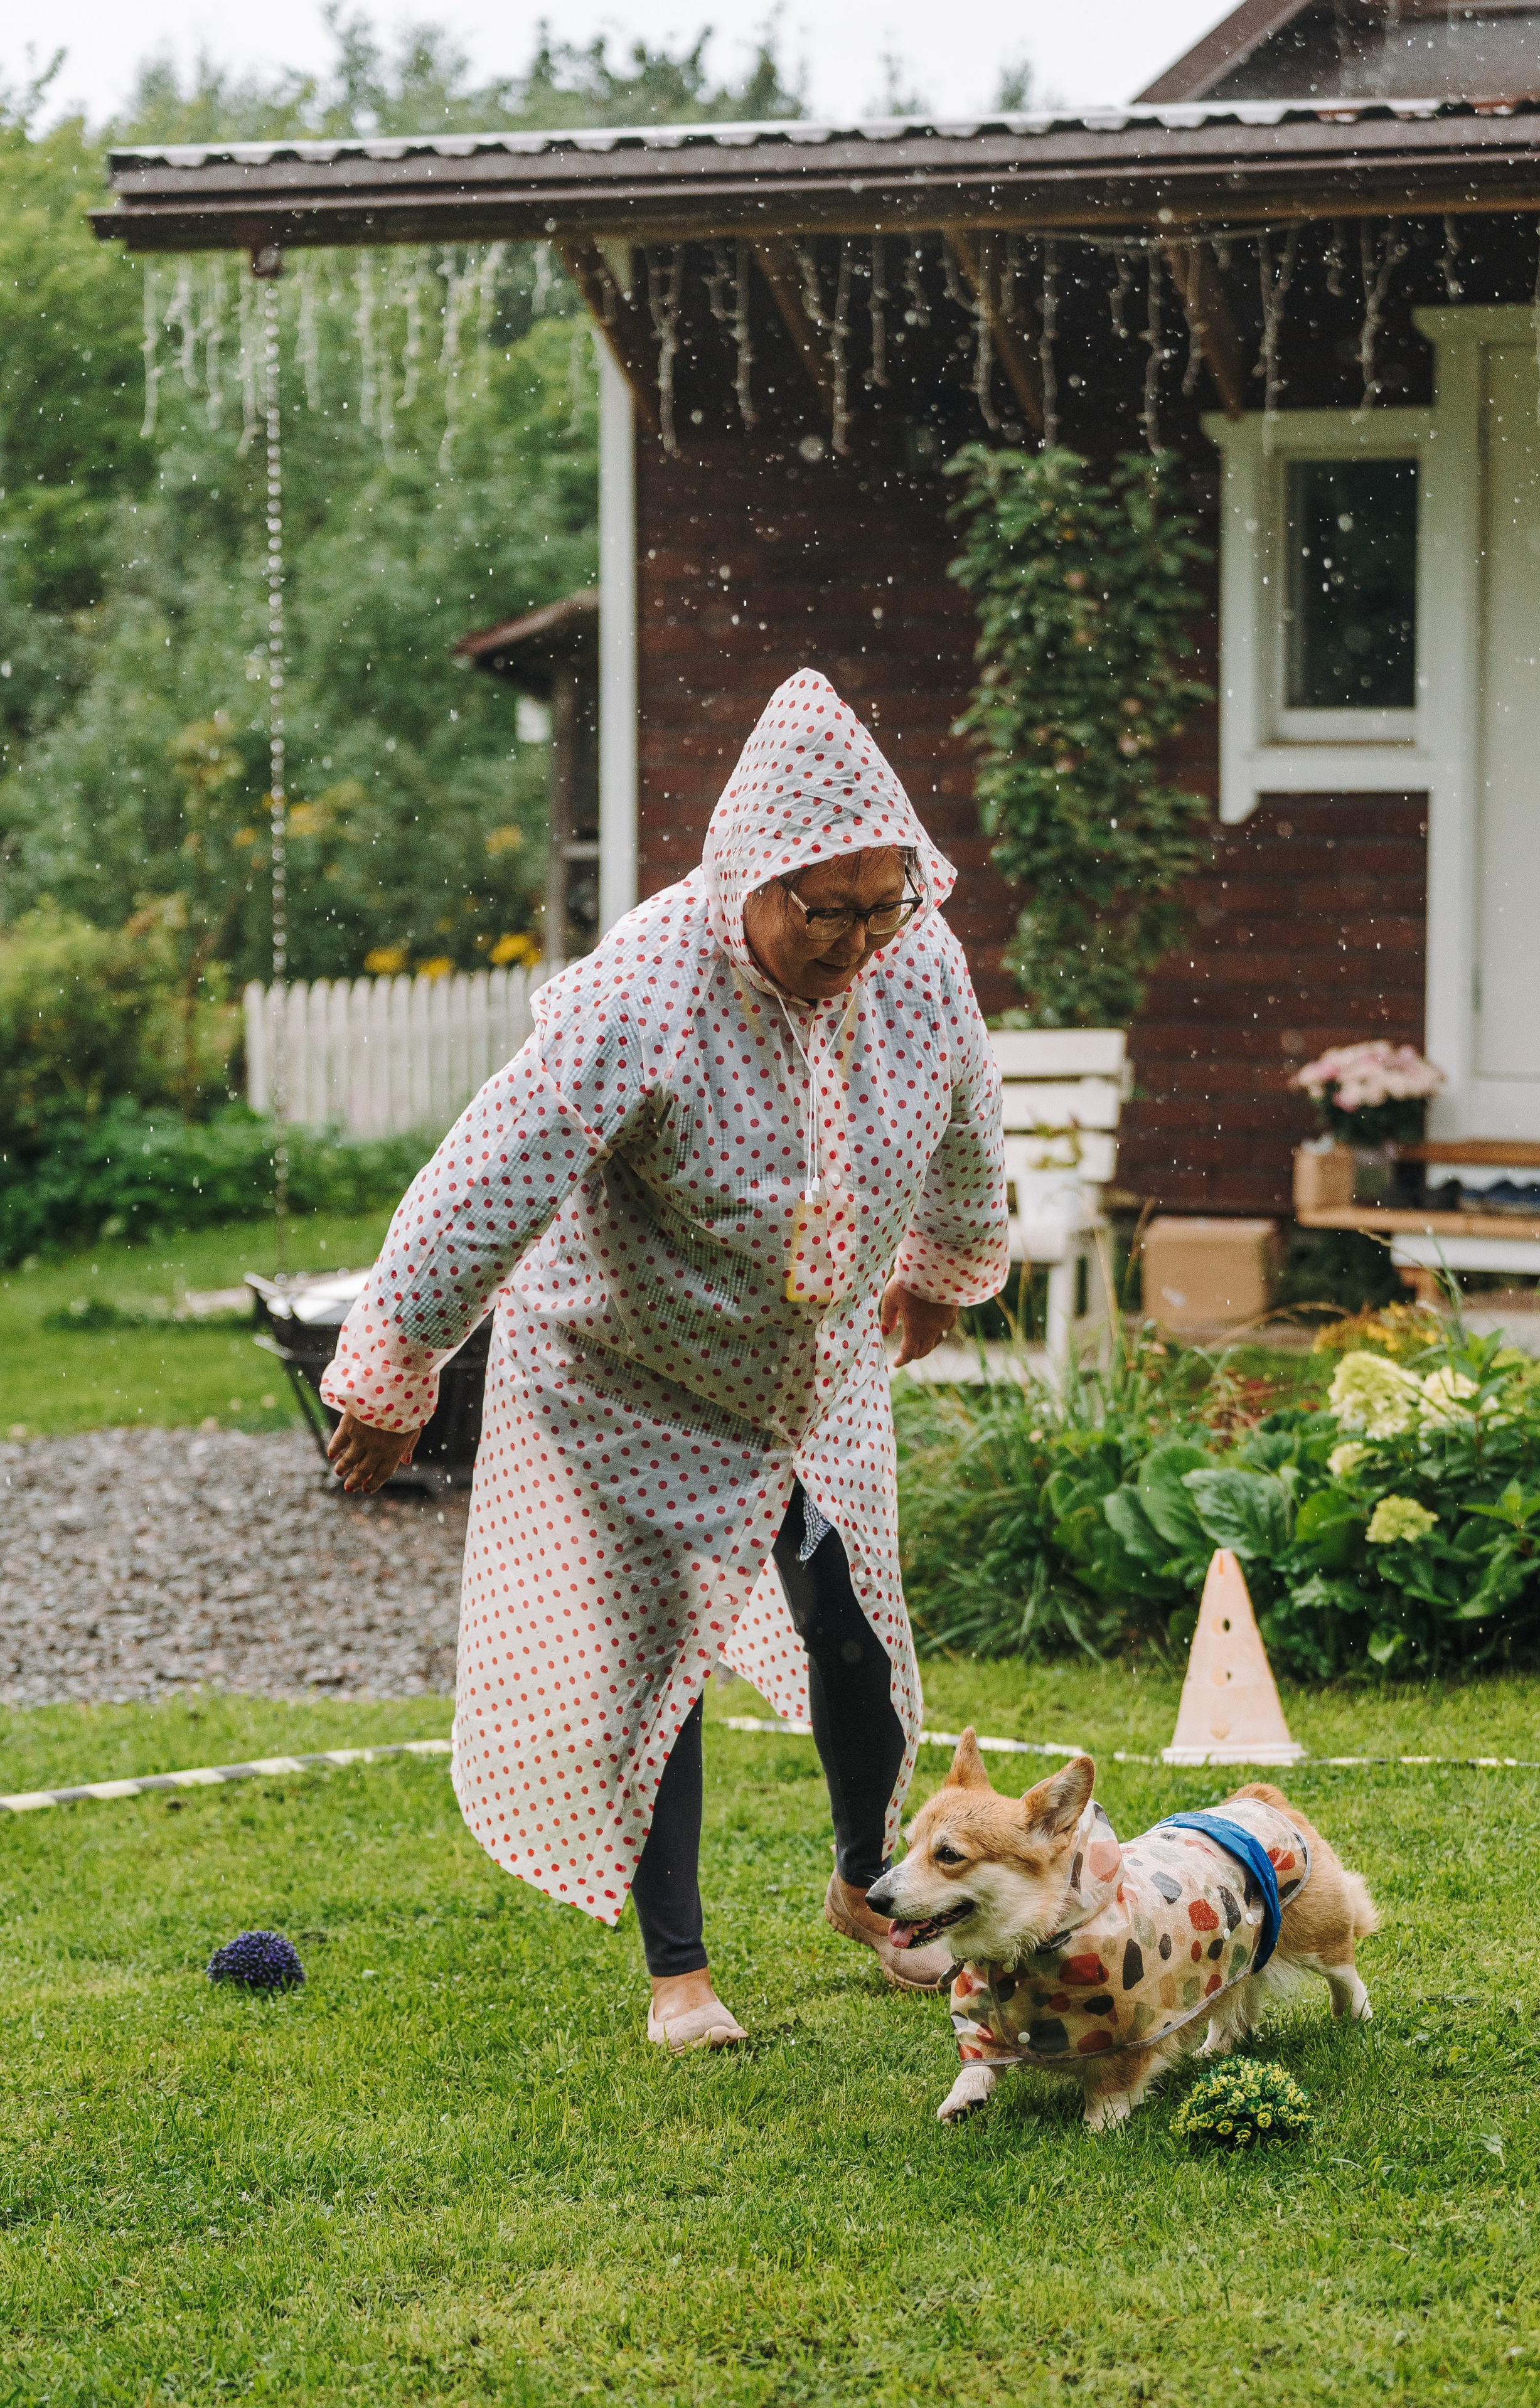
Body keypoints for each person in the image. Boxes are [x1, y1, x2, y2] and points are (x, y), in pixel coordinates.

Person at [321, 670, 1008, 2048]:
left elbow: (966, 1116)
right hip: (626, 1371)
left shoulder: (913, 959)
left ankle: (865, 1885)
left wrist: (943, 1261)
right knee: (654, 1672)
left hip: (807, 1369)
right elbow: (488, 1179)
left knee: (855, 1627)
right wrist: (396, 1362)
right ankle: (678, 1975)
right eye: (828, 911)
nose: (858, 941)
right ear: (754, 876)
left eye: (882, 906)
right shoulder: (640, 992)